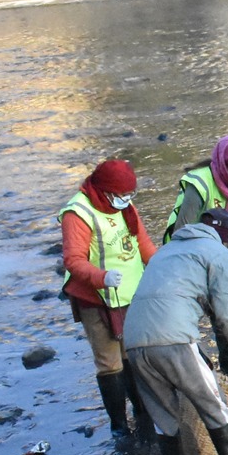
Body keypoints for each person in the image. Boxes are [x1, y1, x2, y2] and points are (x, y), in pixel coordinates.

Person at [123, 207, 228, 455]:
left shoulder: (165, 252)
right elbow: (227, 313)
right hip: (173, 341)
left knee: (163, 417)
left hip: (133, 340)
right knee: (215, 405)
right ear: (226, 236)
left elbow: (165, 302)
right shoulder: (218, 253)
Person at [58, 158, 158, 436]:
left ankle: (142, 411)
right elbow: (73, 260)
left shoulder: (124, 205)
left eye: (130, 195)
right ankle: (119, 427)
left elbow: (142, 244)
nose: (127, 199)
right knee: (109, 363)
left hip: (130, 296)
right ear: (104, 191)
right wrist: (101, 277)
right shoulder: (77, 214)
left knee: (132, 354)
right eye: (122, 195)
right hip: (96, 298)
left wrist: (163, 267)